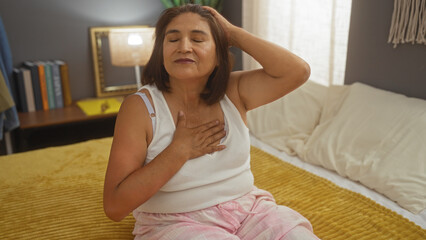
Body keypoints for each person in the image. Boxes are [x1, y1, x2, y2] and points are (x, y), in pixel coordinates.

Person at [103, 4, 319, 239]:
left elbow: (298, 72)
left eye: (198, 39)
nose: (184, 47)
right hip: (175, 221)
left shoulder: (234, 91)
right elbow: (115, 206)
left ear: (218, 55)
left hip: (249, 210)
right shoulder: (140, 107)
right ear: (161, 52)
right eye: (173, 39)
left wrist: (233, 33)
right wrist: (178, 151)